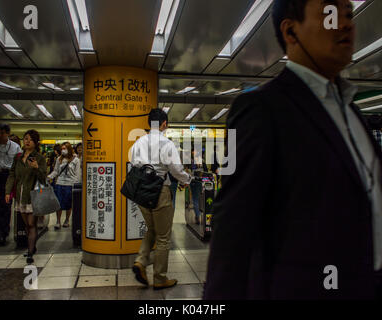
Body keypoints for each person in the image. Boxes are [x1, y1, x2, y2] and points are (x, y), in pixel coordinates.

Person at [204, 0, 382, 300]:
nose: (346, 23)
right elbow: (231, 228)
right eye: (330, 13)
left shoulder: (350, 109)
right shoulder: (257, 110)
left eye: (348, 13)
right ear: (291, 31)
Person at [130, 108, 192, 290]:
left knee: (152, 229)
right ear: (164, 124)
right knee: (163, 236)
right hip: (159, 191)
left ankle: (140, 262)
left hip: (140, 191)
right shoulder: (166, 143)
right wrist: (187, 180)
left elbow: (133, 165)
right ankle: (159, 278)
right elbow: (176, 170)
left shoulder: (138, 142)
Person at [5, 130, 47, 264]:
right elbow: (12, 174)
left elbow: (43, 178)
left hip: (33, 195)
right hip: (20, 195)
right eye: (25, 139)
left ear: (35, 142)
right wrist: (7, 191)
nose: (27, 141)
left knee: (31, 223)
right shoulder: (18, 157)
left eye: (30, 139)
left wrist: (36, 167)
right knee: (26, 224)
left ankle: (30, 252)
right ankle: (32, 246)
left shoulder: (39, 158)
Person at [48, 142, 80, 229]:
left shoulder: (76, 160)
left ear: (69, 149)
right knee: (59, 204)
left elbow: (77, 174)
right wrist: (49, 177)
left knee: (68, 204)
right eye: (62, 149)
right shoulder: (59, 159)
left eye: (65, 148)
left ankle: (66, 220)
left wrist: (76, 184)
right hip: (60, 183)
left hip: (70, 184)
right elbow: (56, 171)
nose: (63, 150)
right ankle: (58, 221)